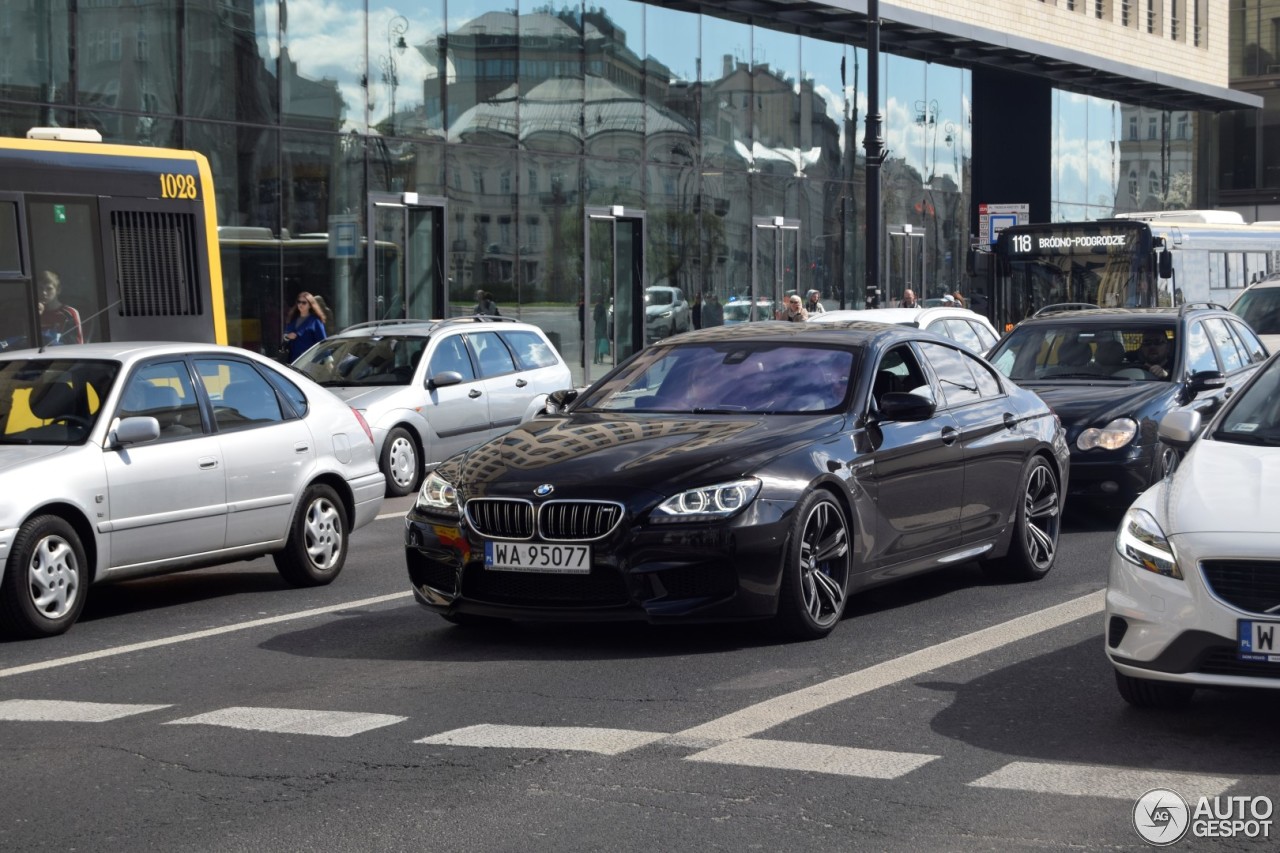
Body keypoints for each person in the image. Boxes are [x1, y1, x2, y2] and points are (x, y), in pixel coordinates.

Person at [38, 270, 83, 345]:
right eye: (40, 288)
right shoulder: (32, 312)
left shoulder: (69, 313)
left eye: (49, 289)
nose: (44, 293)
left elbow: (77, 344)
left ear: (58, 290)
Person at [283, 291, 327, 361]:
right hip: (292, 359)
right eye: (299, 302)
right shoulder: (292, 318)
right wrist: (287, 337)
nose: (300, 304)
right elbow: (285, 335)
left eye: (304, 303)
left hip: (309, 361)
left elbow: (323, 342)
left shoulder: (315, 321)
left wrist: (328, 360)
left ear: (310, 305)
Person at [592, 298, 609, 364]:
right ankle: (599, 359)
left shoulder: (598, 307)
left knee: (598, 345)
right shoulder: (602, 307)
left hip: (599, 329)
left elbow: (595, 318)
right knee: (600, 344)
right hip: (602, 329)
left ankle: (596, 359)